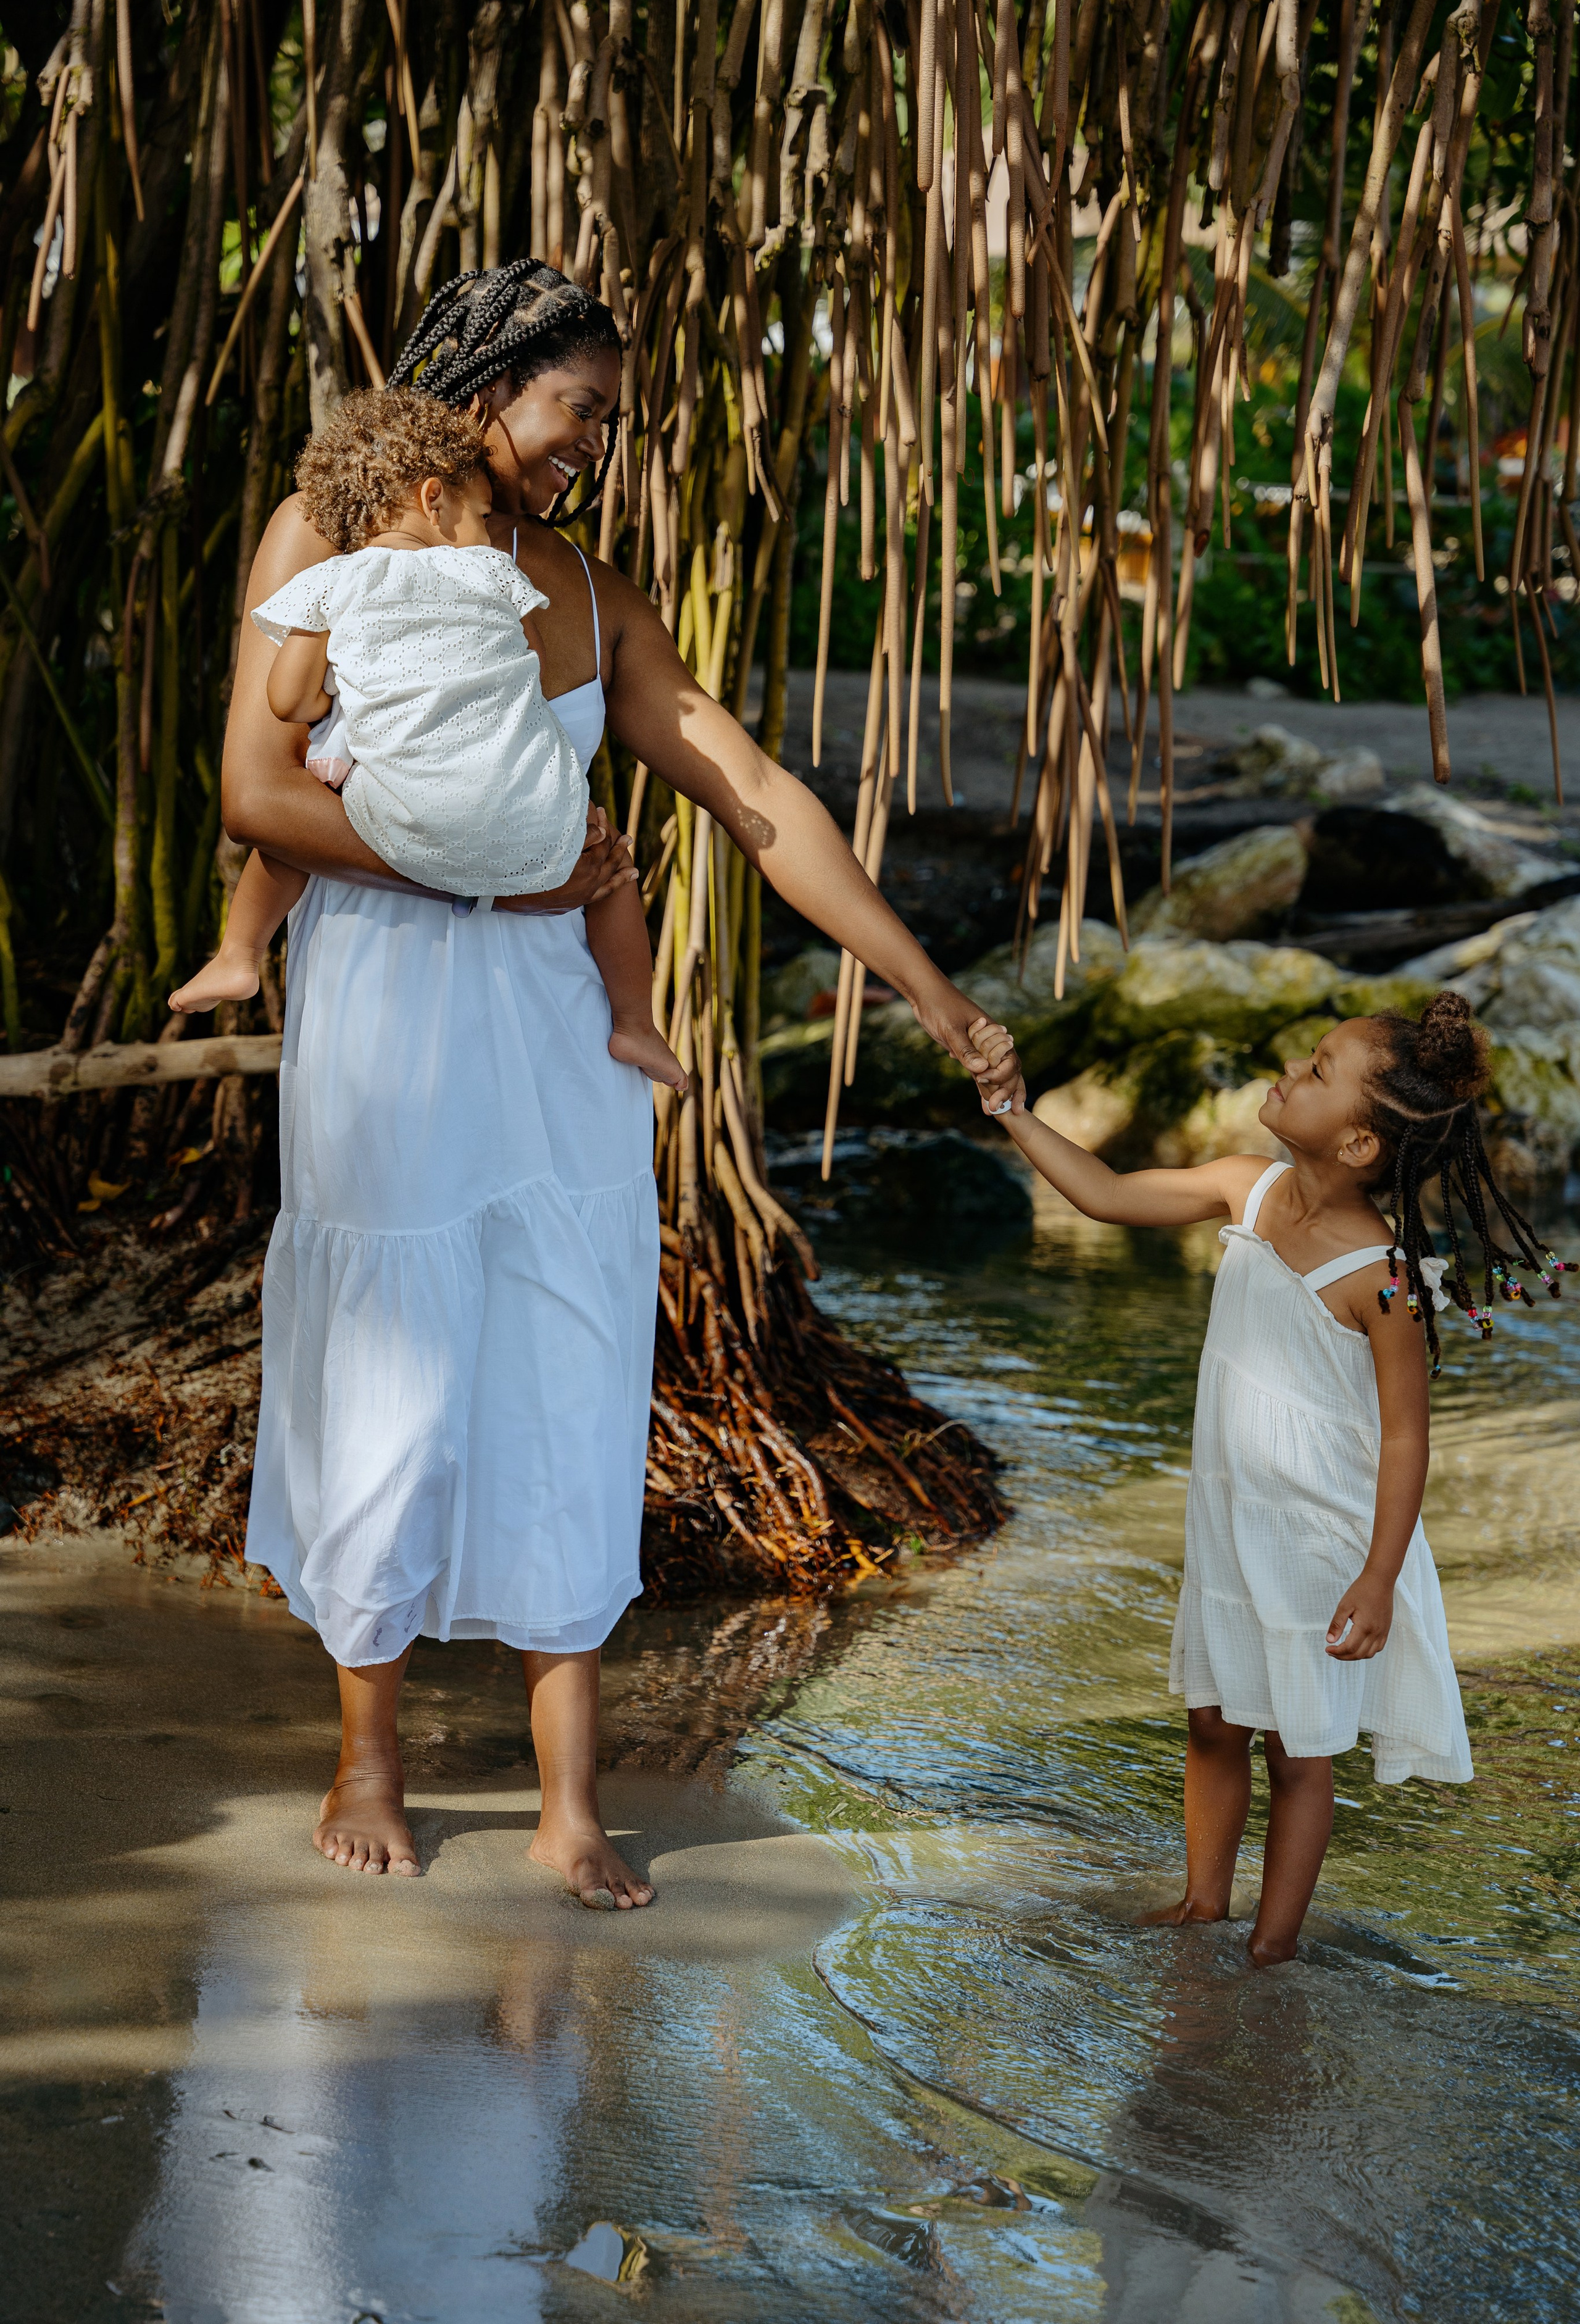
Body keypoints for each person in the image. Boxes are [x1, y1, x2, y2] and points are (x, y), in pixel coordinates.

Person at [221, 259, 1022, 1902]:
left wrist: (931, 991)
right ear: (484, 388)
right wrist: (486, 878)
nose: (599, 445)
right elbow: (255, 789)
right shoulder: (331, 532)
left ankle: (568, 1792)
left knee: (568, 1377)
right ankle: (368, 1746)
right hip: (386, 1017)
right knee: (391, 1363)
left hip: (560, 1043)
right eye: (581, 411)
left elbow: (754, 794)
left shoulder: (588, 594)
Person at [970, 991, 1572, 1964]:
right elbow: (1107, 1194)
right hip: (1231, 1526)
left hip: (1320, 1542)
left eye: (1320, 1071)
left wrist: (1378, 1577)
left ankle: (1270, 1946)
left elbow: (1408, 1442)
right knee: (1212, 1720)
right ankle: (1206, 1902)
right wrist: (1012, 1109)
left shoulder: (1384, 1278)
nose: (1290, 1072)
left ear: (1360, 1147)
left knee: (1299, 1749)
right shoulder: (1244, 1189)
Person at [173, 389, 684, 1093]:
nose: (487, 531)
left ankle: (238, 952)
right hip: (525, 819)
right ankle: (637, 1024)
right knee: (612, 876)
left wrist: (331, 694)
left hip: (407, 818)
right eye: (479, 515)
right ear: (433, 498)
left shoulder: (329, 583)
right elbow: (527, 672)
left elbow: (287, 699)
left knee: (305, 807)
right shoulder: (494, 571)